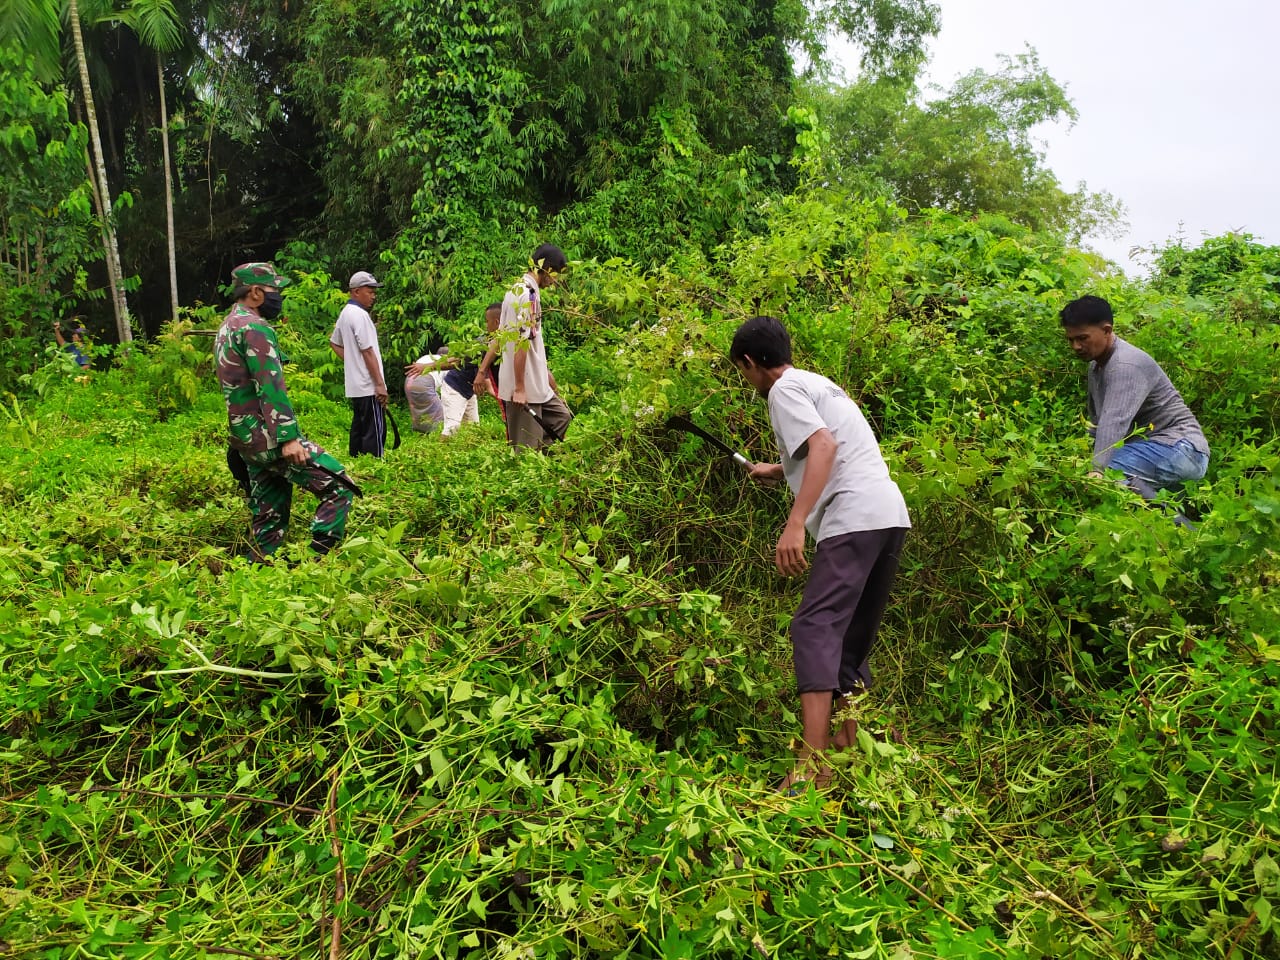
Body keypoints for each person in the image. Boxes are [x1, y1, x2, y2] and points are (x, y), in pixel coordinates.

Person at [730, 315, 911, 792]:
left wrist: (794, 523)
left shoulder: (782, 391)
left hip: (852, 517)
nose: (746, 381)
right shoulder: (818, 383)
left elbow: (824, 445)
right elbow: (829, 445)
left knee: (812, 627)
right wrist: (780, 468)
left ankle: (813, 765)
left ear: (750, 363)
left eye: (741, 372)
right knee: (849, 640)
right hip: (888, 515)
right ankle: (850, 747)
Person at [215, 262, 355, 559]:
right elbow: (270, 385)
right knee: (339, 486)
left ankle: (257, 575)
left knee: (270, 518)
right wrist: (289, 438)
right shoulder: (255, 328)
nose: (278, 296)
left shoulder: (228, 326)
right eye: (274, 290)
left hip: (245, 438)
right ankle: (318, 561)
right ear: (255, 292)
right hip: (270, 438)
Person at [1060, 295, 1209, 509]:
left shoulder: (1126, 365)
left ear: (1107, 330)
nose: (1076, 346)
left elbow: (1114, 422)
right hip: (1157, 450)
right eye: (1071, 339)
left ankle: (1183, 531)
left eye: (1082, 338)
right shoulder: (1096, 367)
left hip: (1181, 449)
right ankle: (1175, 530)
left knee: (1110, 473)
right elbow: (1098, 424)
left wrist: (1097, 469)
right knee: (1105, 477)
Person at [484, 244, 572, 449]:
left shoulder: (515, 290)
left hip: (534, 382)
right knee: (525, 450)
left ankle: (543, 457)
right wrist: (520, 388)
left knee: (561, 417)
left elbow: (504, 337)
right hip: (525, 385)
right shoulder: (529, 295)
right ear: (547, 269)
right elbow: (521, 344)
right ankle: (533, 466)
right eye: (556, 274)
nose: (555, 281)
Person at [408, 303, 503, 437]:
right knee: (451, 429)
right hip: (455, 388)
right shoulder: (483, 343)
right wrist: (427, 366)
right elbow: (455, 360)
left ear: (497, 322)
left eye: (487, 322)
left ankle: (467, 455)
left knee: (473, 429)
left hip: (468, 392)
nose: (486, 326)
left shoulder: (506, 341)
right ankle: (440, 455)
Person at [330, 270, 388, 457]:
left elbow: (334, 343)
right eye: (369, 291)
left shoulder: (346, 313)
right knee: (374, 432)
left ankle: (356, 463)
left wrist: (352, 363)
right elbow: (368, 351)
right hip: (368, 384)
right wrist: (379, 384)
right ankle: (373, 466)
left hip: (356, 384)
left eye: (374, 292)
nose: (373, 296)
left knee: (359, 427)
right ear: (356, 291)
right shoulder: (360, 315)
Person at [405, 346, 447, 434]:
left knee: (416, 409)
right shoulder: (445, 363)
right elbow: (447, 390)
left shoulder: (427, 357)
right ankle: (436, 434)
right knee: (438, 413)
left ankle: (419, 432)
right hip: (424, 382)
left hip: (409, 381)